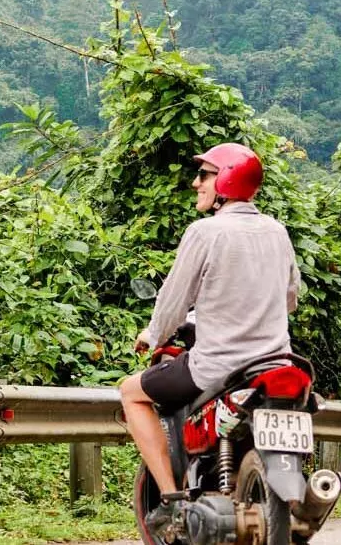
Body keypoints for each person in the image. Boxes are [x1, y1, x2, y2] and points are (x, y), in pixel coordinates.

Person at [119, 142, 301, 534]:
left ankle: (169, 499)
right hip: (276, 363)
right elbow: (290, 300)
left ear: (226, 181)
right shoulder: (277, 231)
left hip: (217, 367)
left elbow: (173, 300)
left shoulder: (205, 232)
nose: (195, 182)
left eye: (204, 174)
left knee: (130, 392)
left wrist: (153, 336)